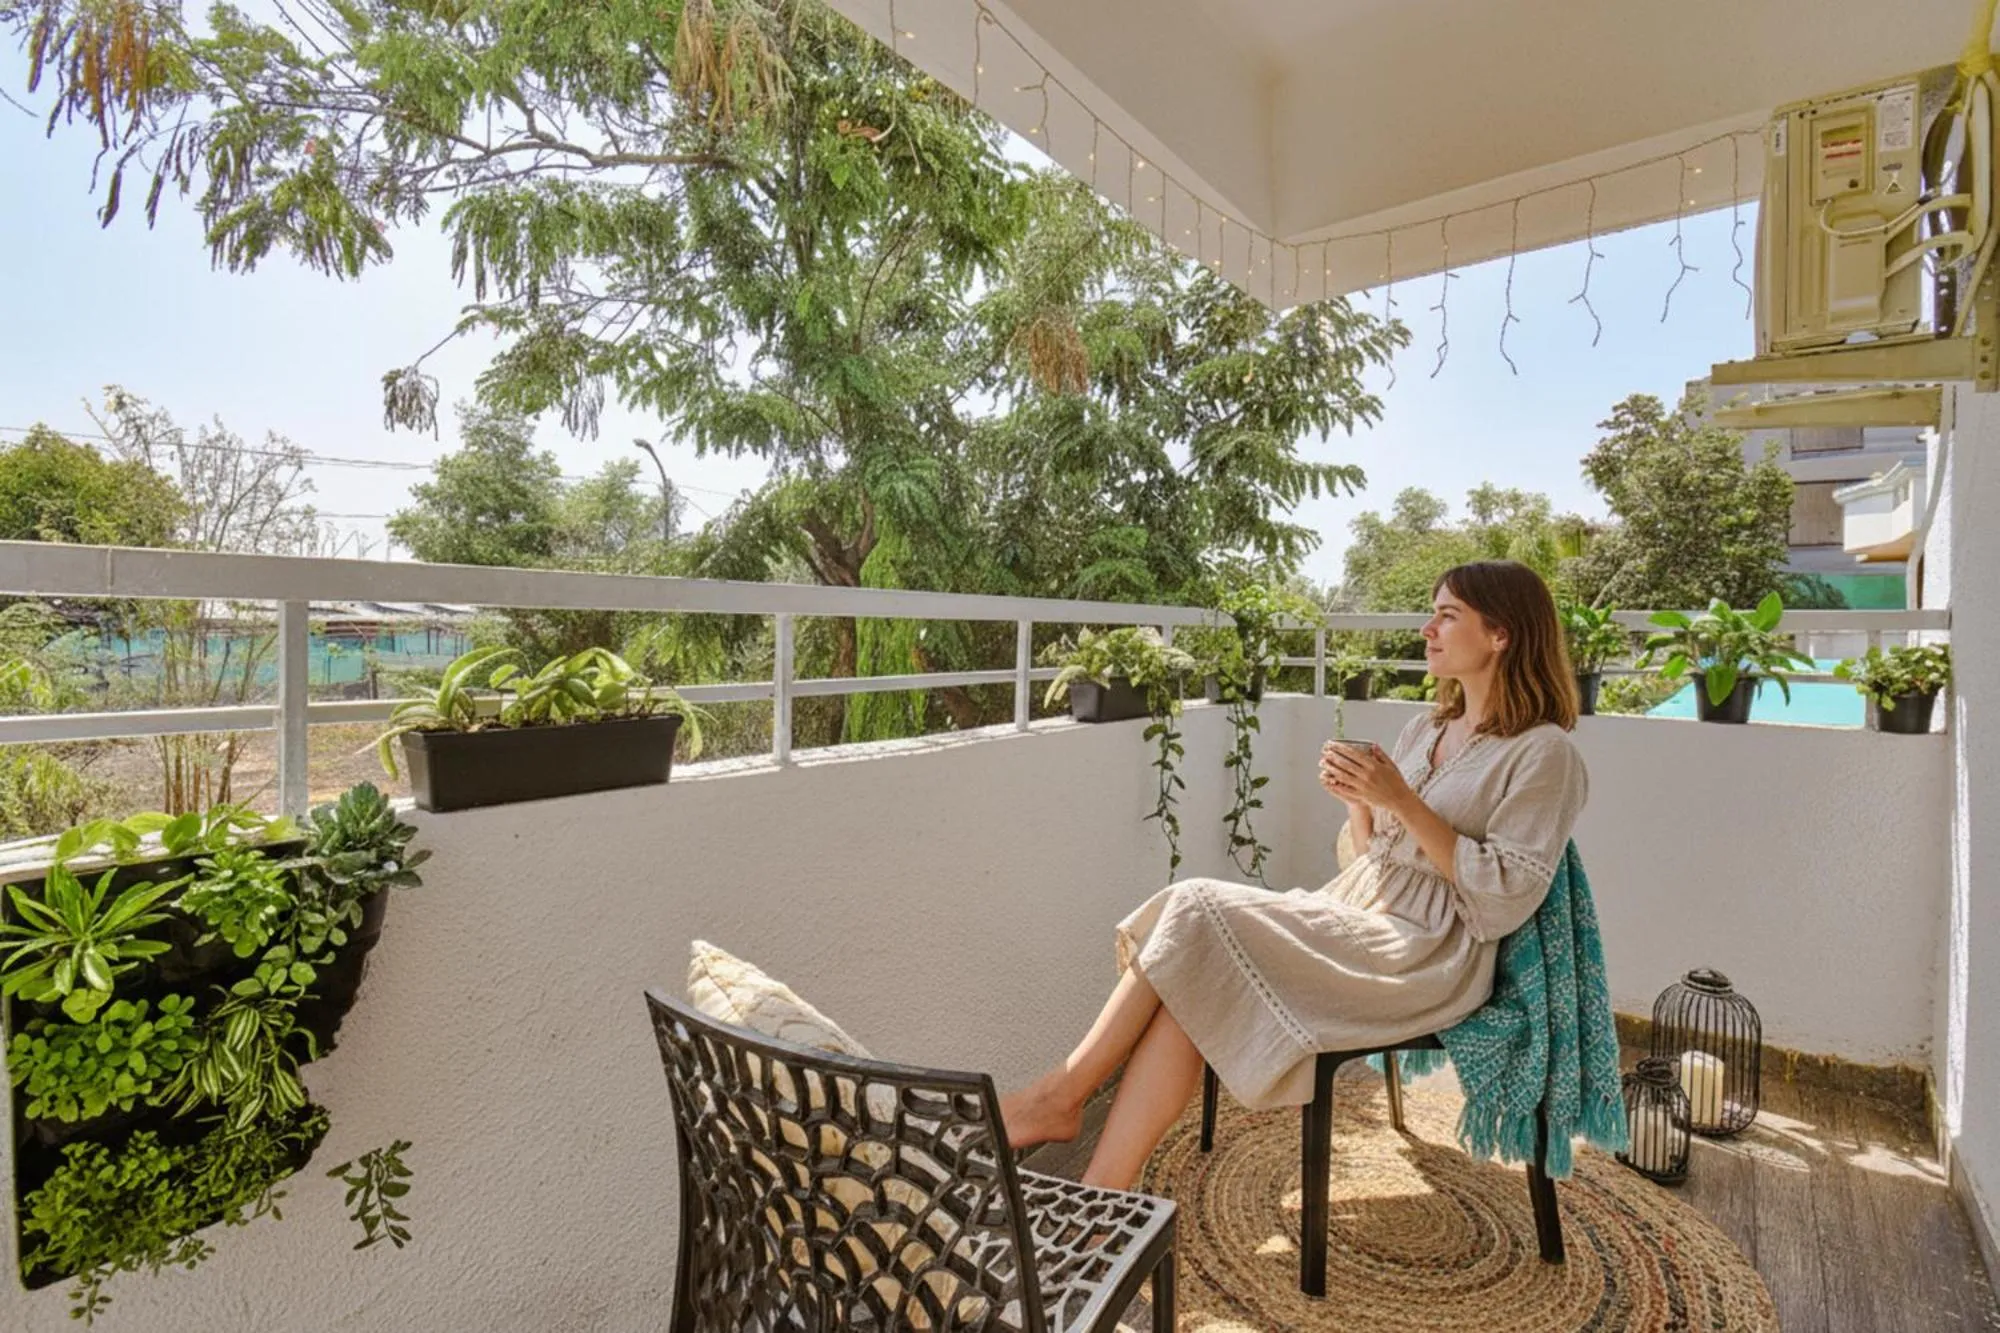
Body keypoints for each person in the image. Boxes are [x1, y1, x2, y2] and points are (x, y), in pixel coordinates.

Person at [1000, 560, 1590, 1189]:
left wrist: (1404, 803)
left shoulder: (1544, 754)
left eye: (1448, 616)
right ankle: (1105, 1187)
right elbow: (1371, 861)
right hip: (1363, 912)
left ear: (1501, 635)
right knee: (1193, 970)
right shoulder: (1427, 727)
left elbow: (1505, 899)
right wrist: (1360, 804)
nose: (1426, 629)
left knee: (1197, 905)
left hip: (1427, 954)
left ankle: (1060, 1096)